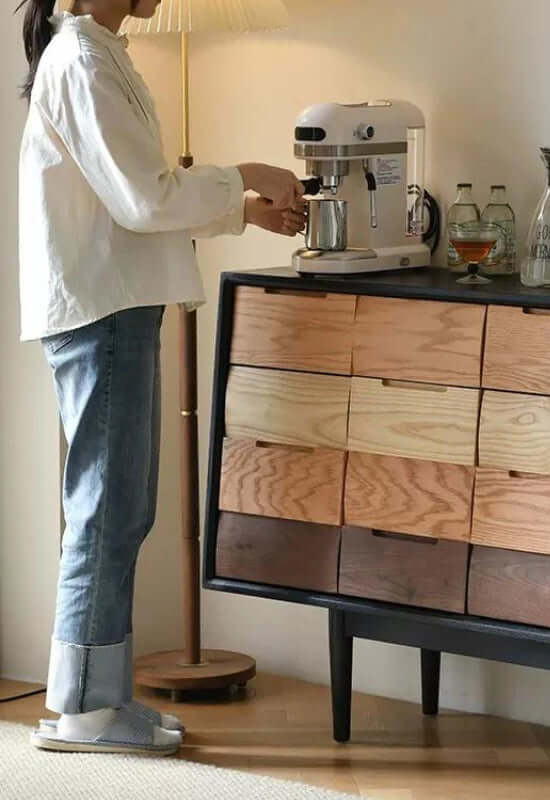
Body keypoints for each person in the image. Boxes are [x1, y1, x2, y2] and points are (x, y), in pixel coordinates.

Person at [17, 0, 307, 756]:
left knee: (120, 510)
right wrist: (246, 173)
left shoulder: (98, 52)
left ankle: (100, 700)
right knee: (106, 510)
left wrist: (240, 208)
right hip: (103, 312)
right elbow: (145, 198)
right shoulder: (82, 60)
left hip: (115, 305)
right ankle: (82, 708)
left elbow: (135, 196)